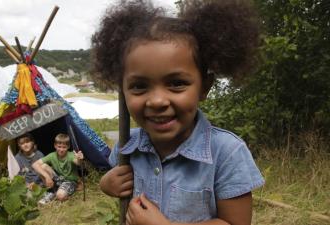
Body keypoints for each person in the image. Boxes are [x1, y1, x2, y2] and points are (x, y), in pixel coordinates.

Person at [93, 0, 265, 224]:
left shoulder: (227, 153)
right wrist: (106, 184)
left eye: (176, 83)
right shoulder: (126, 149)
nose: (156, 101)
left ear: (204, 87)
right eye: (139, 86)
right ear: (122, 89)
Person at [33, 133, 84, 204]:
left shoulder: (70, 155)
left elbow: (78, 163)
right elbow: (35, 164)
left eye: (64, 147)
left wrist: (79, 159)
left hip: (70, 181)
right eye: (59, 147)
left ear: (68, 146)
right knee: (42, 166)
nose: (61, 149)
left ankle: (61, 192)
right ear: (55, 146)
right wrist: (47, 177)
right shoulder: (52, 155)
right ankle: (52, 191)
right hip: (59, 179)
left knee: (60, 196)